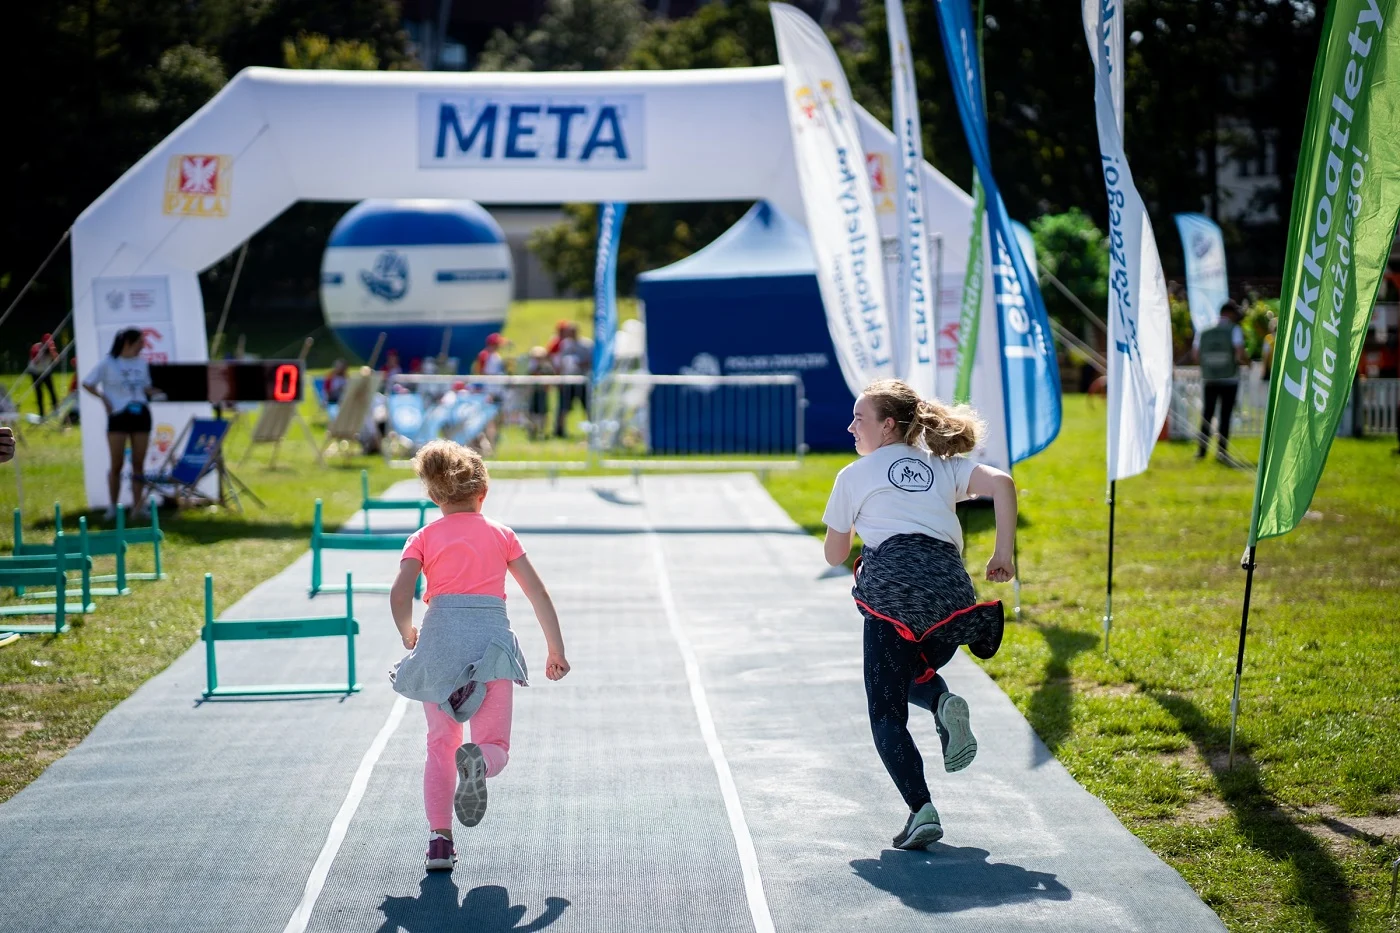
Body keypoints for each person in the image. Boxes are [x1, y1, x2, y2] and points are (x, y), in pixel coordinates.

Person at [822, 379, 1017, 851]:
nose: (851, 427)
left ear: (888, 425)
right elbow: (1003, 484)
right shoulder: (942, 465)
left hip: (893, 594)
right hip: (950, 594)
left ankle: (921, 809)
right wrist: (1002, 553)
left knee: (885, 710)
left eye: (859, 418)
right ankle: (942, 702)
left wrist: (851, 533)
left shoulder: (854, 475)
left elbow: (834, 555)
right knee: (911, 671)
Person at [387, 440, 571, 872]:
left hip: (440, 645)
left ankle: (439, 843)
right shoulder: (501, 534)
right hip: (491, 647)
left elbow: (400, 593)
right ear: (483, 492)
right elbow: (536, 591)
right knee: (495, 745)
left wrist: (408, 632)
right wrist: (555, 649)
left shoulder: (423, 537)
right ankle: (481, 762)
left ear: (434, 497)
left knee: (439, 746)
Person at [82, 329, 157, 521]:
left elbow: (146, 387)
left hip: (141, 413)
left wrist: (159, 390)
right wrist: (104, 399)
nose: (143, 345)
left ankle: (138, 507)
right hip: (118, 416)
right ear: (127, 342)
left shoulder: (142, 363)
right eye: (140, 341)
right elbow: (87, 383)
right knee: (117, 463)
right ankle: (112, 508)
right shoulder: (108, 363)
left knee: (139, 463)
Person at [1193, 300, 1250, 462]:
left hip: (1210, 378)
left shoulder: (1204, 330)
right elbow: (1239, 353)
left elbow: (1196, 355)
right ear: (1230, 313)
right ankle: (1221, 452)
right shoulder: (1234, 330)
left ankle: (1201, 451)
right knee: (1225, 416)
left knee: (1207, 415)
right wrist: (1247, 362)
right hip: (1229, 378)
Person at [552, 323, 593, 438]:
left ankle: (592, 430)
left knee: (587, 406)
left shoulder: (586, 344)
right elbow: (560, 362)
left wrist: (579, 363)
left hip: (582, 380)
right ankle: (559, 431)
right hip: (567, 380)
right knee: (563, 407)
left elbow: (592, 361)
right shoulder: (565, 344)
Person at [26, 334, 59, 418]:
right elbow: (35, 362)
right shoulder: (36, 348)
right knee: (39, 394)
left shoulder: (51, 348)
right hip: (35, 372)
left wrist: (51, 351)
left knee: (52, 391)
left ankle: (56, 410)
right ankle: (41, 414)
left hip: (46, 372)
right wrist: (41, 354)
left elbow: (56, 360)